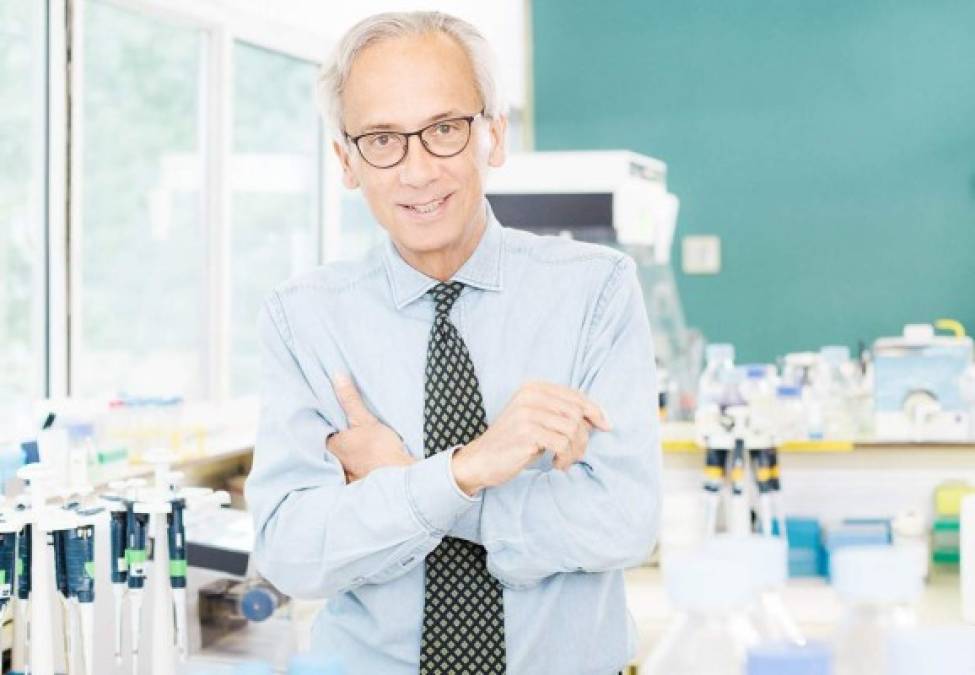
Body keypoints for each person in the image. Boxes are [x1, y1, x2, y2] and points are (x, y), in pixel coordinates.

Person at [244, 10, 661, 675]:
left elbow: (622, 521)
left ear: (492, 136)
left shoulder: (594, 292)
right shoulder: (304, 319)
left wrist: (403, 483)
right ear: (345, 161)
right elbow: (293, 552)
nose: (416, 170)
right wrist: (467, 467)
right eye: (381, 139)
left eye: (442, 129)